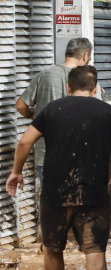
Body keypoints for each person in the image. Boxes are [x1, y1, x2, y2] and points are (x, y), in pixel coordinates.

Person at [5, 65, 111, 270]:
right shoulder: (106, 111)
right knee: (95, 250)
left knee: (53, 249)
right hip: (93, 194)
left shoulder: (51, 109)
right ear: (95, 88)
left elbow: (25, 142)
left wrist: (17, 171)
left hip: (55, 194)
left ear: (68, 87)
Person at [15, 37, 94, 178]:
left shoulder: (45, 74)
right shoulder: (87, 80)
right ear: (85, 55)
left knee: (50, 199)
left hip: (47, 156)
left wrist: (31, 114)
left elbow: (21, 105)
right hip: (78, 155)